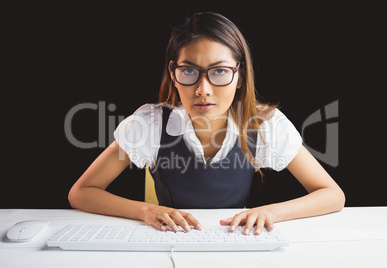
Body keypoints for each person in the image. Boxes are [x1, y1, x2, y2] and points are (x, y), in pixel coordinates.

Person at [68, 12, 345, 235]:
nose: (203, 89)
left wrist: (271, 212)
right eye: (188, 71)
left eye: (220, 71)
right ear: (173, 73)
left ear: (240, 75)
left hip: (231, 242)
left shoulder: (263, 124)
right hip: (168, 240)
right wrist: (145, 211)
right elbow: (81, 192)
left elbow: (332, 195)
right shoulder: (151, 123)